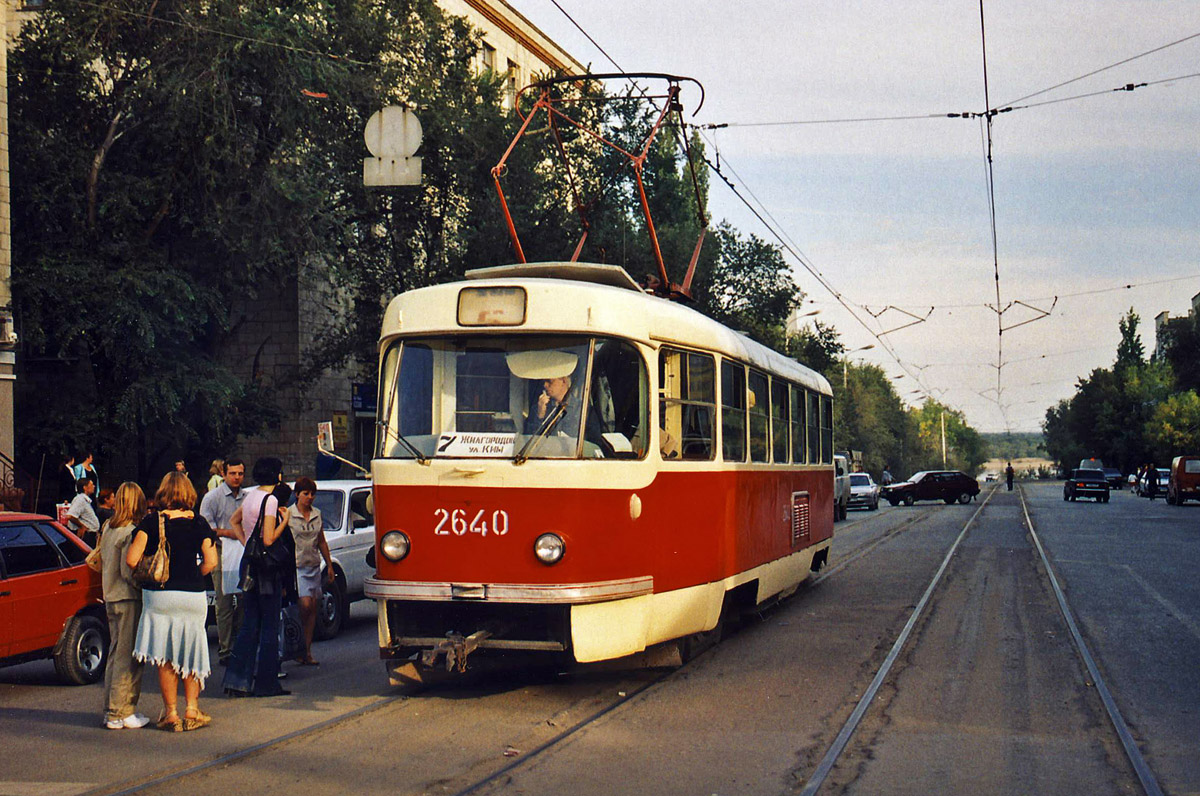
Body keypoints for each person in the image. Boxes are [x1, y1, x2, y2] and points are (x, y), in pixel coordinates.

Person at [126, 472, 219, 732]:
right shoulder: (199, 523)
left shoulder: (150, 522)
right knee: (190, 650)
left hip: (160, 595)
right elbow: (211, 562)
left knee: (167, 655)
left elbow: (132, 560)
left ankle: (171, 714)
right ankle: (192, 709)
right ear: (189, 493)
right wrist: (192, 576)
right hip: (191, 595)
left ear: (163, 493)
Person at [223, 457, 293, 698]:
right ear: (277, 475)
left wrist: (245, 543)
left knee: (250, 623)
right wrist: (285, 522)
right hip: (267, 569)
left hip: (249, 564)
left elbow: (234, 521)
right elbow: (269, 539)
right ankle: (267, 683)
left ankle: (237, 680)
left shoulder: (251, 495)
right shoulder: (271, 500)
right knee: (270, 625)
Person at [100, 482, 151, 730]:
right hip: (128, 597)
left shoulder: (108, 527)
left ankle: (112, 708)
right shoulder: (130, 531)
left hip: (110, 596)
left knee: (115, 653)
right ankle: (122, 710)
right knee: (128, 657)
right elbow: (127, 570)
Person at [198, 458, 246, 666]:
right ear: (224, 474)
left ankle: (242, 644)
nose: (236, 477)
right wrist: (231, 532)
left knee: (244, 598)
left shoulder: (247, 497)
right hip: (219, 550)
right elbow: (205, 528)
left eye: (240, 474)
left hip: (242, 551)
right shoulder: (212, 498)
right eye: (233, 473)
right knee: (224, 600)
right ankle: (225, 649)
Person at [288, 477, 333, 666]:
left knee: (313, 607)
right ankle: (295, 646)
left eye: (312, 494)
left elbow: (321, 540)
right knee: (304, 604)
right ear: (297, 494)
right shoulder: (288, 514)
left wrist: (329, 564)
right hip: (297, 566)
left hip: (313, 564)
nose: (309, 497)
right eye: (305, 494)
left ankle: (306, 650)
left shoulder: (317, 514)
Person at [67, 478, 100, 547]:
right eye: (91, 485)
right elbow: (70, 516)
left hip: (91, 535)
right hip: (86, 536)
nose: (94, 486)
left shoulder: (85, 500)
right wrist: (82, 526)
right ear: (85, 487)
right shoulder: (80, 499)